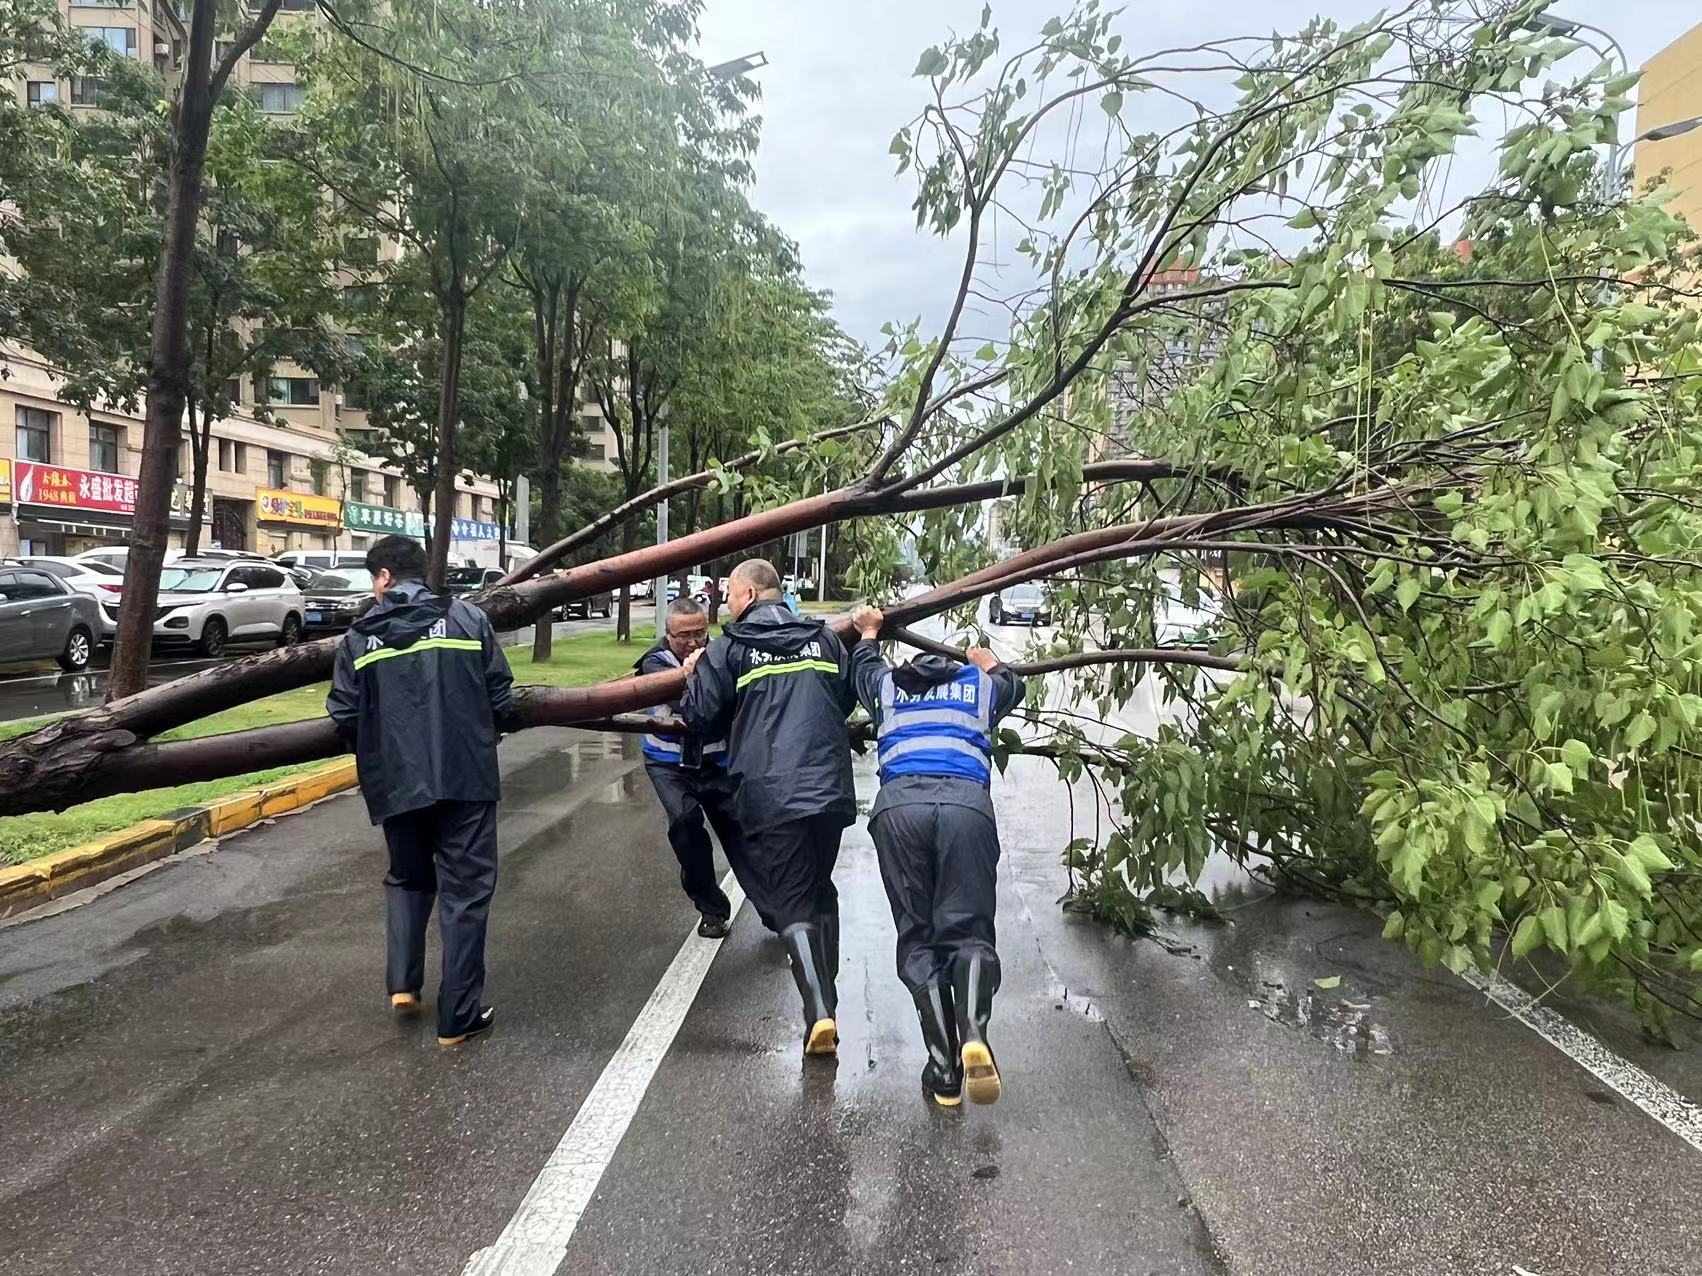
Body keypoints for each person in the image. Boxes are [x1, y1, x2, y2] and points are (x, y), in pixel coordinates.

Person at [326, 534, 515, 1047]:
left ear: (385, 577)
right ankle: (458, 1018)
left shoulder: (358, 638)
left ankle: (403, 985)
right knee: (466, 892)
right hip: (465, 778)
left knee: (407, 879)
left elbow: (343, 713)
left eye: (373, 579)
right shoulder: (466, 619)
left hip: (395, 782)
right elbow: (501, 693)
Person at [848, 605, 1026, 1107]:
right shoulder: (981, 688)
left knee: (918, 933)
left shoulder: (886, 689)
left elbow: (864, 665)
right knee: (967, 930)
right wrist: (986, 659)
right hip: (967, 808)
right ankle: (973, 1031)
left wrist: (868, 631)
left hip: (900, 809)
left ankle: (944, 1068)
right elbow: (1014, 683)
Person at [680, 558, 857, 1056]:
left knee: (790, 901)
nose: (727, 605)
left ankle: (819, 1010)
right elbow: (839, 701)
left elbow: (700, 718)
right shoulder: (823, 640)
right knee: (820, 888)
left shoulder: (730, 648)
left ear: (751, 596)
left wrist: (695, 674)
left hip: (771, 794)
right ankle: (830, 996)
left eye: (731, 596)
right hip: (827, 789)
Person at [635, 596, 744, 939]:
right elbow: (683, 699)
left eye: (700, 633)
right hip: (668, 763)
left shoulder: (721, 654)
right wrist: (693, 673)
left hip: (717, 761)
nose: (693, 642)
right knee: (685, 825)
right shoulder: (655, 662)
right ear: (668, 633)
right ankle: (711, 907)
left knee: (743, 837)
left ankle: (778, 915)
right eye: (684, 636)